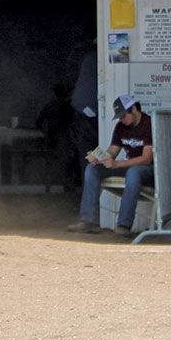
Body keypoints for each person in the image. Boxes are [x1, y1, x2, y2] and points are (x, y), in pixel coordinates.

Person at [67, 94, 153, 236]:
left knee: (134, 172)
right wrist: (100, 158)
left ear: (133, 109)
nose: (121, 119)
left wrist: (117, 164)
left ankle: (124, 225)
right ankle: (89, 220)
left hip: (148, 171)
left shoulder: (148, 124)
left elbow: (146, 158)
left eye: (123, 115)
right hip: (129, 167)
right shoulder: (121, 126)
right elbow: (113, 150)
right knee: (92, 169)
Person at [70, 45, 98, 187]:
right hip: (89, 115)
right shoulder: (96, 59)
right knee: (90, 158)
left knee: (87, 157)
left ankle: (90, 200)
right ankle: (93, 200)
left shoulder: (88, 59)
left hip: (84, 112)